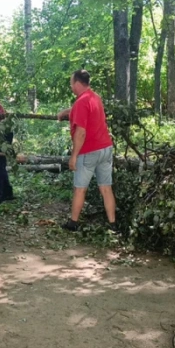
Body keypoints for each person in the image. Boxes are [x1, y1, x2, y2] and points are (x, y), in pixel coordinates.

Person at [56, 69, 117, 232]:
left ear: (76, 83)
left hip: (89, 151)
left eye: (71, 83)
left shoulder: (81, 102)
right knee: (106, 188)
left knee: (80, 188)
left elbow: (81, 132)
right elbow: (82, 111)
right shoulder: (94, 97)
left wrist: (74, 156)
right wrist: (66, 112)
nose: (71, 87)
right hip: (105, 148)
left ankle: (73, 223)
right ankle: (113, 224)